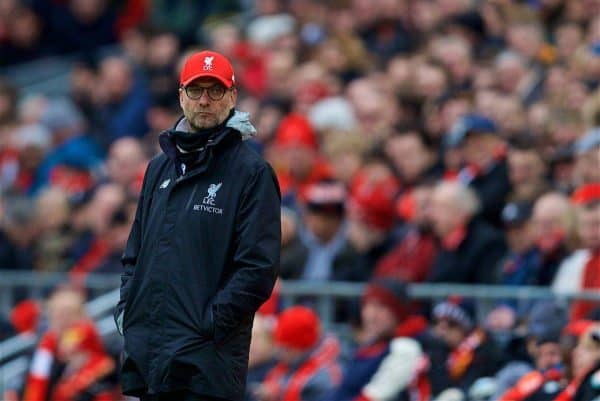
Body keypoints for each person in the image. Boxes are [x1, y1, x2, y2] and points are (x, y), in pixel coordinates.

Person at [114, 50, 281, 401]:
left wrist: (208, 326)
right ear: (181, 96)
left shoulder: (251, 172)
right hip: (151, 359)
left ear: (232, 97)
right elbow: (135, 253)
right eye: (195, 90)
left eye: (215, 91)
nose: (204, 100)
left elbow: (258, 269)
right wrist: (130, 310)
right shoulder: (159, 169)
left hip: (206, 366)